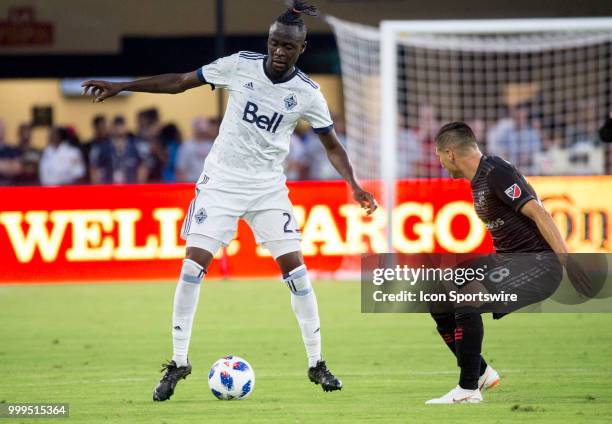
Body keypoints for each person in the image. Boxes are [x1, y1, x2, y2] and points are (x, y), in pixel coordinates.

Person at [82, 0, 376, 401]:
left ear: (300, 49)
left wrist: (354, 184)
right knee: (191, 268)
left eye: (287, 46)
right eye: (274, 42)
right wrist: (122, 86)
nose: (278, 51)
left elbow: (332, 144)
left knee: (298, 272)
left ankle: (316, 363)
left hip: (268, 187)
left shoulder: (307, 93)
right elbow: (180, 81)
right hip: (221, 182)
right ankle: (179, 361)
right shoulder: (239, 65)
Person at [427, 122, 572, 404]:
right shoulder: (479, 178)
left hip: (537, 266)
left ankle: (468, 389)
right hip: (507, 260)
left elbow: (539, 214)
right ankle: (481, 372)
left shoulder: (495, 172)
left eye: (439, 156)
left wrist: (569, 262)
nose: (440, 162)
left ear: (450, 154)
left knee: (469, 297)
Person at [90, 115, 147, 184]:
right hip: (109, 187)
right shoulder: (101, 147)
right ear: (111, 128)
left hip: (131, 186)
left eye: (121, 125)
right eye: (116, 126)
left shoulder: (136, 146)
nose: (119, 128)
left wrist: (138, 186)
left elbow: (143, 167)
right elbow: (94, 168)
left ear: (126, 127)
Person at [176, 117, 215, 182]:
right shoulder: (186, 146)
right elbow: (180, 169)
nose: (202, 132)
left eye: (203, 130)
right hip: (191, 183)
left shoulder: (212, 146)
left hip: (208, 184)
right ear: (194, 129)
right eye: (200, 130)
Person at [0, 119, 23, 186]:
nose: (1, 131)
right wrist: (9, 164)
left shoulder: (11, 149)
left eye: (2, 128)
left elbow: (17, 168)